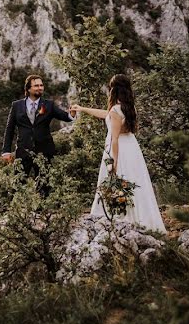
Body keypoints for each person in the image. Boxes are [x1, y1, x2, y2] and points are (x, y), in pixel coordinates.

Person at [70, 74, 166, 233]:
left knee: (117, 182)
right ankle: (142, 218)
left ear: (113, 89)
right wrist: (82, 109)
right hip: (132, 148)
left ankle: (119, 218)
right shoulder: (128, 108)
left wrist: (113, 162)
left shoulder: (115, 110)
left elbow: (114, 138)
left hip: (119, 149)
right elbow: (106, 115)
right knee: (135, 182)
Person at [1, 74, 76, 177]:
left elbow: (65, 116)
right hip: (23, 151)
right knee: (18, 184)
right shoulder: (16, 106)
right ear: (28, 88)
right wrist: (6, 151)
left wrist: (72, 114)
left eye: (41, 85)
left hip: (44, 152)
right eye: (36, 86)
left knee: (44, 186)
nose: (40, 88)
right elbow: (10, 129)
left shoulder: (49, 105)